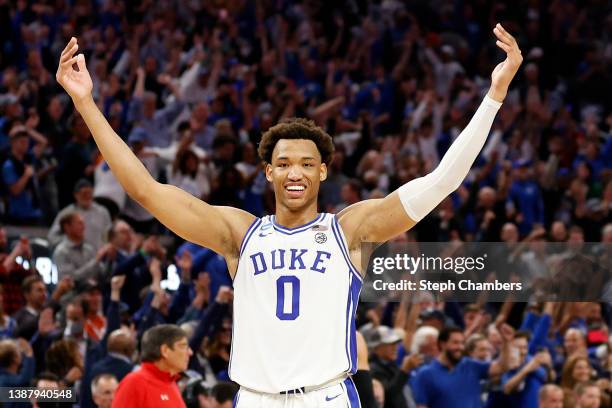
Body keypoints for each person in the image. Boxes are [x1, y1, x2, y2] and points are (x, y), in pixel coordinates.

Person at [56, 22, 522, 407]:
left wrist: (493, 97)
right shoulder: (239, 233)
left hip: (326, 397)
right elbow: (145, 190)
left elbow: (441, 182)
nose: (293, 173)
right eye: (282, 164)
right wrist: (85, 103)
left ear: (322, 171)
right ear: (267, 173)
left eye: (304, 163)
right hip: (255, 398)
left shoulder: (350, 230)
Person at [412, 326, 514, 408]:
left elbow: (501, 367)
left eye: (462, 343)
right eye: (455, 343)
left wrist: (507, 342)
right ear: (442, 344)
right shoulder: (425, 374)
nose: (460, 347)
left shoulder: (470, 365)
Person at [112, 324, 193, 407]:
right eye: (183, 346)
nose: (190, 352)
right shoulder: (134, 383)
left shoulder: (171, 383)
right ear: (165, 350)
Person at [48, 178, 112, 250]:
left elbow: (110, 235)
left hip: (99, 256)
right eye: (84, 193)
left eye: (90, 193)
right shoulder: (66, 213)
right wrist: (70, 240)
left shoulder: (102, 212)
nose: (87, 196)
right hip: (74, 257)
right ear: (76, 195)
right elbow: (52, 237)